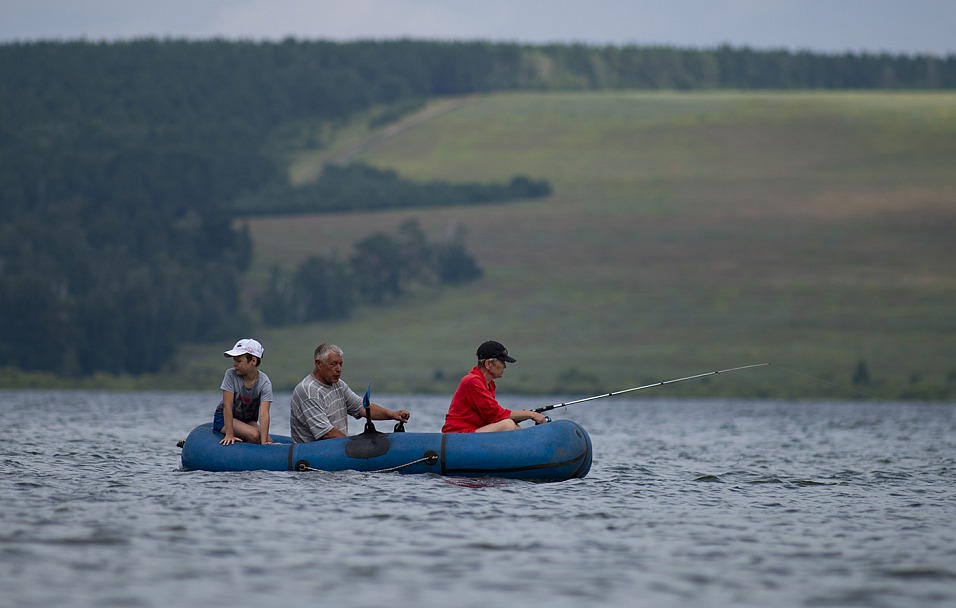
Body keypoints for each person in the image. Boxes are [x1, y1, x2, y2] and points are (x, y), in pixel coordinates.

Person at [290, 343, 410, 442]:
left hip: (337, 450)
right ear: (318, 364)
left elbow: (362, 408)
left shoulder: (339, 385)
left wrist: (392, 415)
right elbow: (325, 433)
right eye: (333, 364)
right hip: (313, 456)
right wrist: (356, 445)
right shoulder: (308, 390)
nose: (339, 369)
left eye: (341, 364)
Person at [442, 340, 549, 433]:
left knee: (514, 426)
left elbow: (492, 417)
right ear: (488, 364)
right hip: (457, 434)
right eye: (502, 362)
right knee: (508, 425)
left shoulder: (490, 384)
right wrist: (531, 414)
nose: (505, 366)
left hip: (472, 432)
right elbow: (496, 415)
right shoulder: (472, 381)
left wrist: (524, 415)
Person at [213, 338, 273, 446]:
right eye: (234, 360)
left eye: (239, 361)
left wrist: (265, 443)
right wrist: (229, 434)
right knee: (254, 435)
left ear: (253, 361)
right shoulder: (230, 375)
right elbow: (227, 406)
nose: (235, 364)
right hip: (223, 418)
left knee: (269, 440)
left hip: (247, 420)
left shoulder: (264, 382)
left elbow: (264, 414)